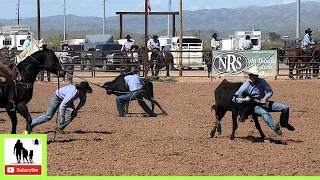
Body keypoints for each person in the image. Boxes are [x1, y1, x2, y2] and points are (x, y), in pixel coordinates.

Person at [233, 66, 295, 135]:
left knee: (285, 107)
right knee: (264, 113)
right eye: (253, 75)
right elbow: (234, 98)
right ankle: (275, 128)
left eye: (256, 75)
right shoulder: (246, 85)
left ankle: (284, 123)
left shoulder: (262, 82)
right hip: (253, 105)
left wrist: (265, 98)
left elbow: (269, 91)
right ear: (250, 76)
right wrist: (244, 99)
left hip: (264, 102)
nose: (255, 77)